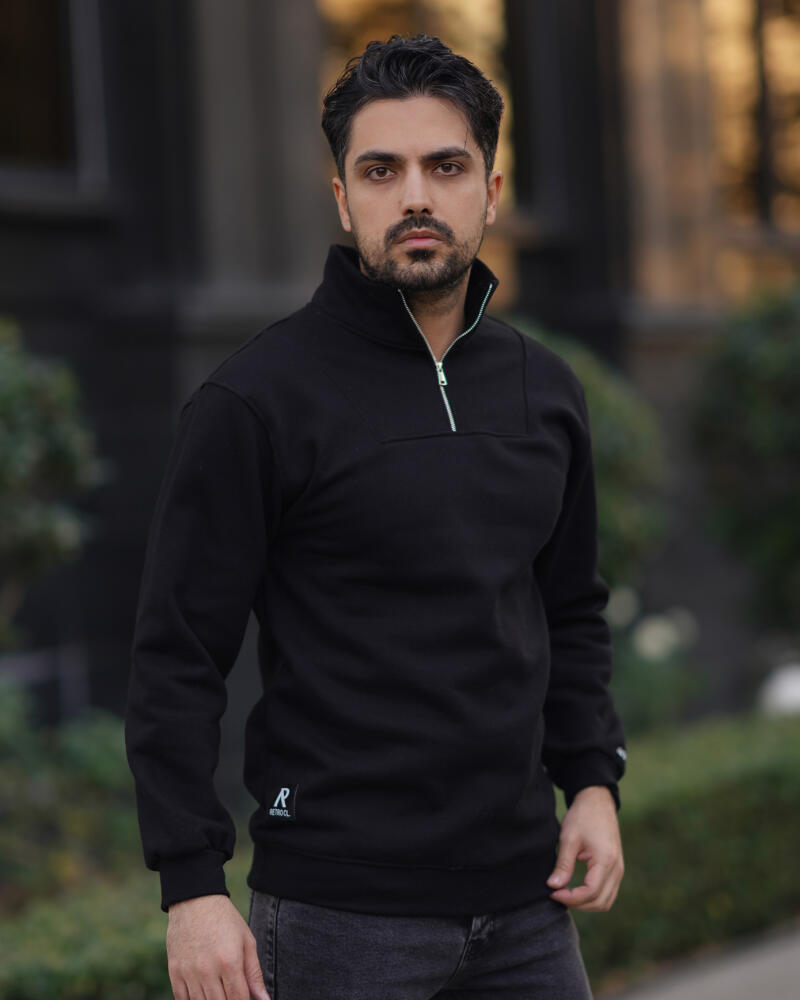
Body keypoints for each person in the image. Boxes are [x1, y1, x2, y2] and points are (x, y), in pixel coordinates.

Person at [124, 33, 627, 1000]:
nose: (416, 197)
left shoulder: (545, 390)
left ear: (492, 190)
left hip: (528, 912)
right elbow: (176, 656)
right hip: (339, 919)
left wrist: (594, 782)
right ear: (342, 195)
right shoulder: (256, 401)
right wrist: (191, 887)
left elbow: (569, 609)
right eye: (381, 170)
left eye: (447, 166)